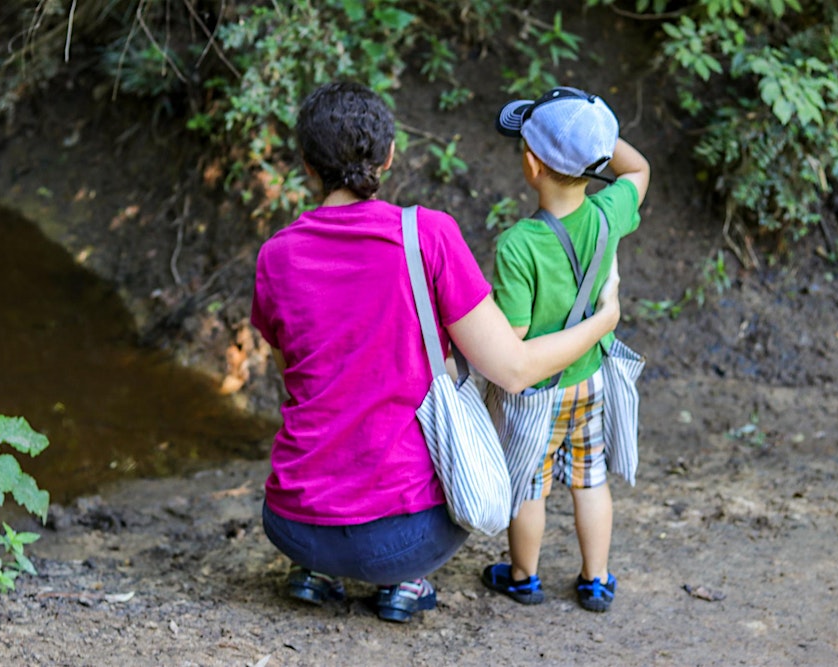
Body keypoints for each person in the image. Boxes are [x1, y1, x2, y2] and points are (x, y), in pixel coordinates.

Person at [250, 81, 622, 624]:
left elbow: (295, 374)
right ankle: (402, 583)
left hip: (293, 525)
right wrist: (604, 320)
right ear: (390, 156)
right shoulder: (427, 235)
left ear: (306, 164)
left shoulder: (275, 257)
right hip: (407, 538)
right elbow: (513, 370)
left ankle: (319, 571)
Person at [480, 86, 651, 612]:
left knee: (529, 485)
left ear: (530, 164)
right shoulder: (608, 213)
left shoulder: (518, 245)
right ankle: (595, 579)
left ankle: (523, 576)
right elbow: (638, 170)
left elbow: (513, 337)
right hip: (591, 379)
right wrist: (596, 137)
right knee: (589, 479)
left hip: (536, 393)